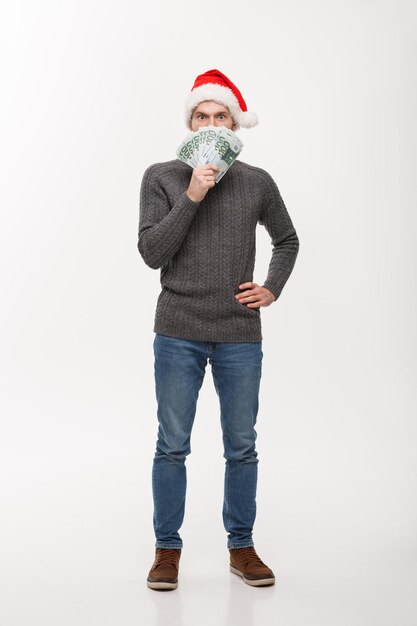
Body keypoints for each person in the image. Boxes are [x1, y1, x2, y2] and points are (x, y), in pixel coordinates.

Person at [138, 69, 299, 590]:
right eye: (202, 117)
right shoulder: (161, 176)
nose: (212, 124)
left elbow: (288, 239)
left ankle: (242, 546)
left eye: (220, 116)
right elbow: (152, 254)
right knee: (172, 444)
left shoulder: (256, 181)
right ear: (190, 125)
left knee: (242, 445)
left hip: (238, 333)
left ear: (235, 126)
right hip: (178, 328)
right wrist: (191, 194)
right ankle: (167, 550)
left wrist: (270, 287)